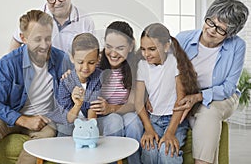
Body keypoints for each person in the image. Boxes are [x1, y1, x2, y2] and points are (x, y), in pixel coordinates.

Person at [0, 10, 68, 164]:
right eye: (37, 39)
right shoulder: (8, 63)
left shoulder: (62, 59)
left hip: (43, 120)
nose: (44, 45)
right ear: (23, 38)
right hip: (10, 117)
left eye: (48, 38)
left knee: (49, 133)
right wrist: (22, 119)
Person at [174, 0, 249, 164]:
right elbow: (169, 74)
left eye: (221, 29)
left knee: (209, 111)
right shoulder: (183, 38)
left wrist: (198, 97)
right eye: (210, 22)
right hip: (186, 94)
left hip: (221, 97)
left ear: (230, 34)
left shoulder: (237, 46)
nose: (212, 30)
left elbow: (229, 87)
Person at [134, 23, 199, 164]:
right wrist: (148, 129)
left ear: (166, 46)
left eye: (152, 49)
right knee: (149, 150)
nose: (146, 54)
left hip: (174, 120)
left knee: (167, 152)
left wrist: (170, 132)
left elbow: (180, 101)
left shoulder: (174, 63)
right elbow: (138, 102)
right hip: (154, 120)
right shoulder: (142, 65)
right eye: (143, 49)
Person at [89, 21, 142, 163]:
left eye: (120, 48)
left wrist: (111, 108)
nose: (113, 53)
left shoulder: (135, 66)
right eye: (108, 47)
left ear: (131, 46)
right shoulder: (97, 63)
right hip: (103, 118)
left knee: (135, 122)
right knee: (114, 120)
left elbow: (132, 104)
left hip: (124, 111)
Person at [9, 0, 95, 53]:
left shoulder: (85, 20)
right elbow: (16, 41)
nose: (57, 3)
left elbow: (91, 51)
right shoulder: (35, 17)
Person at [57, 33, 101, 128]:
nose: (85, 67)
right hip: (72, 122)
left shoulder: (99, 78)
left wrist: (90, 128)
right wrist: (77, 105)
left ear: (98, 59)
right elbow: (67, 119)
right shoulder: (66, 82)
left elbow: (93, 108)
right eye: (80, 62)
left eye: (91, 62)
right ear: (72, 58)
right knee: (63, 128)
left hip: (93, 121)